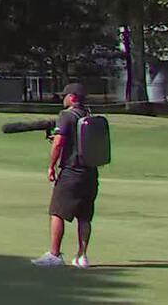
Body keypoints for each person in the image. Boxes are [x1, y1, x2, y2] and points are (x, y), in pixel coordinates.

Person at [33, 83, 98, 268]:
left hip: (71, 172)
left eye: (66, 95)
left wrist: (51, 166)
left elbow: (59, 142)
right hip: (90, 173)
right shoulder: (89, 116)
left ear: (73, 98)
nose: (64, 98)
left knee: (57, 212)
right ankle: (82, 256)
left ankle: (54, 255)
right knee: (84, 217)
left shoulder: (66, 115)